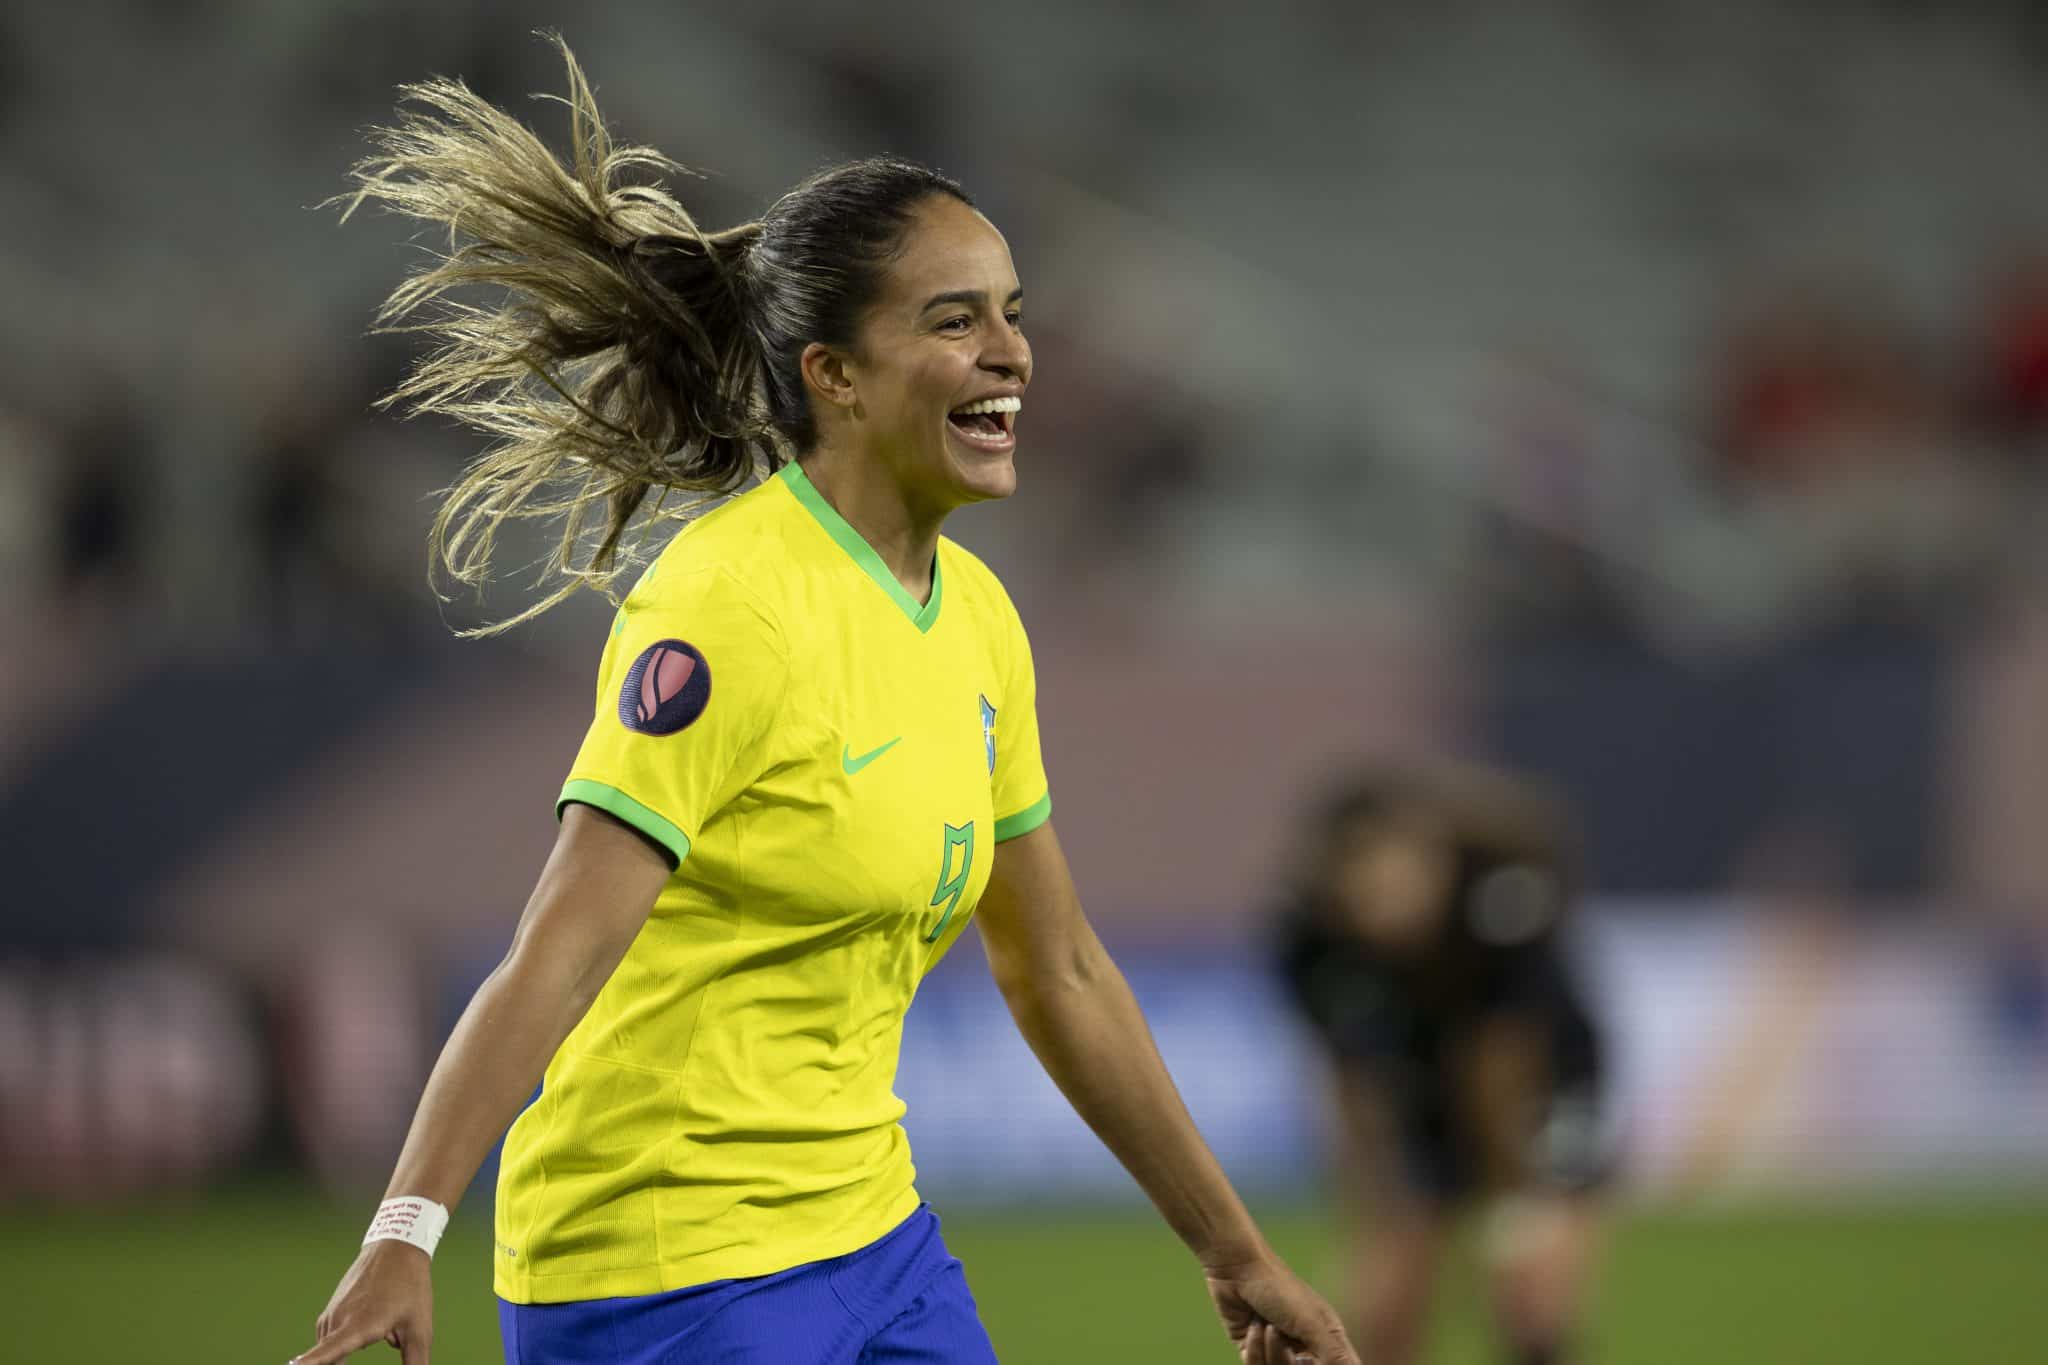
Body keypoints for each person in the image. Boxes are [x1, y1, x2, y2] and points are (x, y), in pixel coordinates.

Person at [294, 38, 1355, 1365]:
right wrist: (403, 1228)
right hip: (664, 1262)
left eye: (1014, 311)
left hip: (871, 1239)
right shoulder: (731, 601)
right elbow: (557, 943)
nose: (1012, 353)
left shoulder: (976, 619)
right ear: (833, 375)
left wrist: (1236, 1252)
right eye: (955, 318)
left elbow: (1060, 965)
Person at [1275, 763, 1611, 1365]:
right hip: (1417, 1079)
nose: (1383, 903)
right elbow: (1351, 1079)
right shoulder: (1308, 940)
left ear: (1432, 857)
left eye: (1395, 875)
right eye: (1361, 885)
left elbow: (1501, 1060)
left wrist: (1515, 1205)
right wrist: (1375, 1211)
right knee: (1382, 1306)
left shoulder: (1502, 896)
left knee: (1530, 1292)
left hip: (1546, 1080)